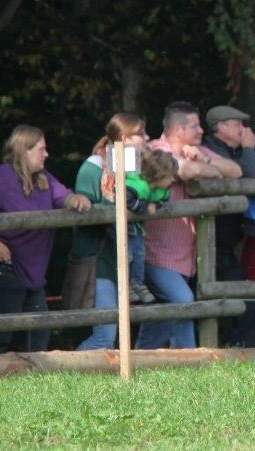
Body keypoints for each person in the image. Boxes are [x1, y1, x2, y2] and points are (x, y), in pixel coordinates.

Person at [0, 125, 91, 353]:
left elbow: (65, 197)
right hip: (3, 267)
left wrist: (78, 200)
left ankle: (29, 386)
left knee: (38, 336)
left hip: (32, 271)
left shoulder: (44, 179)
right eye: (41, 149)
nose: (47, 154)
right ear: (25, 150)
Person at [135, 101, 240, 350]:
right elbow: (186, 171)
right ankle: (192, 359)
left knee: (165, 312)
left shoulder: (197, 149)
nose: (202, 130)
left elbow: (235, 171)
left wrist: (206, 160)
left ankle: (141, 355)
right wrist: (208, 169)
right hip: (156, 254)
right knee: (183, 300)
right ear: (178, 130)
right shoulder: (153, 151)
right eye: (195, 126)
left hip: (185, 257)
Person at [72, 112, 151, 351]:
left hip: (122, 258)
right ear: (124, 138)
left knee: (114, 336)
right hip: (99, 261)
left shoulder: (133, 168)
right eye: (140, 134)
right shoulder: (93, 168)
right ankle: (64, 376)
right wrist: (118, 206)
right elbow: (87, 212)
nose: (146, 138)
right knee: (104, 337)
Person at [201, 105, 255, 346]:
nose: (243, 129)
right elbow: (245, 173)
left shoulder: (236, 151)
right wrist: (249, 149)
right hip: (205, 249)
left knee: (248, 304)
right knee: (201, 304)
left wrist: (249, 151)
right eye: (237, 124)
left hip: (226, 250)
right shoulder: (209, 150)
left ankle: (238, 352)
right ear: (221, 127)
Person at [123, 148, 179, 303]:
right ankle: (127, 285)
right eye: (170, 176)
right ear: (159, 175)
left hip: (138, 228)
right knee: (127, 256)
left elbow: (163, 201)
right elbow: (124, 199)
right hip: (125, 229)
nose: (174, 180)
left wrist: (155, 204)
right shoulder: (136, 185)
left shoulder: (162, 190)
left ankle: (138, 284)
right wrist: (144, 208)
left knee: (139, 255)